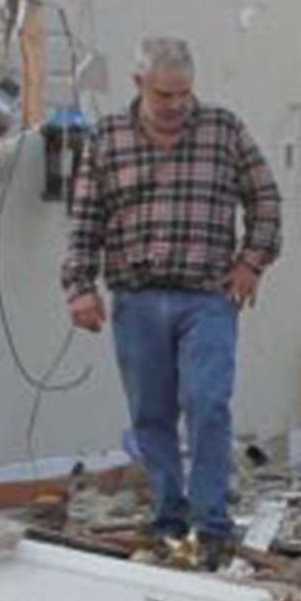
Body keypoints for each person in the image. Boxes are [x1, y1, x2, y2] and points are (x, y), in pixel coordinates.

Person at [63, 37, 280, 569]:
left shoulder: (222, 130)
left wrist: (251, 262)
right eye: (165, 95)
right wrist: (79, 286)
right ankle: (168, 520)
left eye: (184, 94)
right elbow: (85, 218)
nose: (177, 105)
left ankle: (212, 526)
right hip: (136, 299)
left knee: (208, 404)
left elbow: (266, 200)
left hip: (207, 298)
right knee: (151, 416)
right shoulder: (107, 139)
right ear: (139, 85)